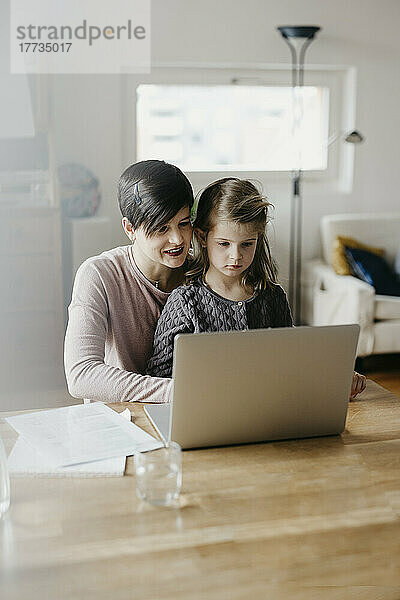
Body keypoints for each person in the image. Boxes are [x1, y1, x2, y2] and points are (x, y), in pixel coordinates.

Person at [147, 177, 366, 399]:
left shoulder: (272, 297)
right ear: (202, 237)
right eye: (224, 244)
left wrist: (338, 376)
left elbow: (292, 361)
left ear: (258, 239)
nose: (236, 256)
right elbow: (158, 375)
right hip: (207, 408)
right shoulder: (185, 302)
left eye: (247, 244)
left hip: (268, 407)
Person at [64, 160, 194, 403]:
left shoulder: (203, 275)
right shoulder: (99, 274)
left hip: (187, 412)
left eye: (183, 224)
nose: (177, 239)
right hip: (118, 419)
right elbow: (81, 374)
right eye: (161, 228)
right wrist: (177, 391)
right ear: (130, 229)